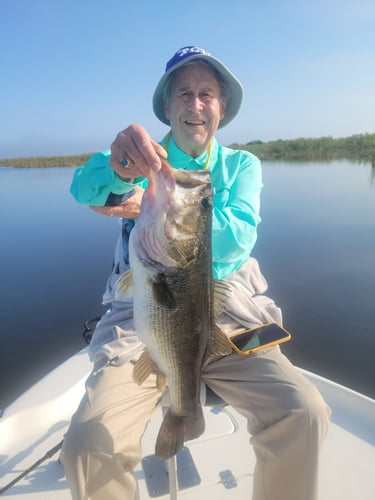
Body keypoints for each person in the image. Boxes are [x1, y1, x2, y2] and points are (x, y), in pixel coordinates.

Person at [63, 46, 331, 500]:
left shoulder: (242, 165)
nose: (196, 103)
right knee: (87, 445)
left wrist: (165, 210)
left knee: (304, 412)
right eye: (184, 92)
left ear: (221, 110)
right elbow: (85, 190)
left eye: (208, 93)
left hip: (223, 313)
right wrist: (121, 168)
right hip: (140, 314)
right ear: (166, 106)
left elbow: (238, 237)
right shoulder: (141, 158)